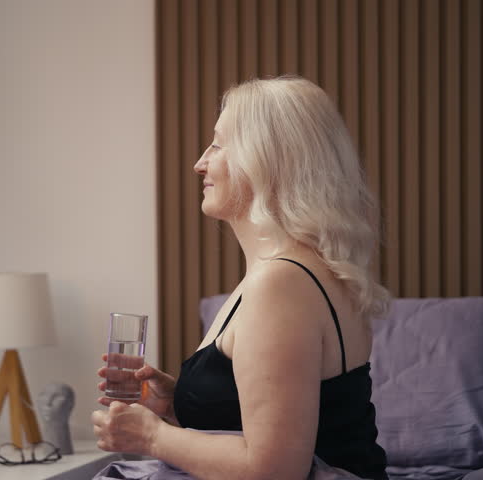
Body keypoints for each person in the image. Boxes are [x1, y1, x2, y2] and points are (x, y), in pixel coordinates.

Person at [92, 76, 389, 480]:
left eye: (217, 145)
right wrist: (178, 403)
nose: (200, 163)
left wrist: (151, 436)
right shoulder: (303, 271)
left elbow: (275, 469)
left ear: (263, 160)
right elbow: (289, 418)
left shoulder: (281, 284)